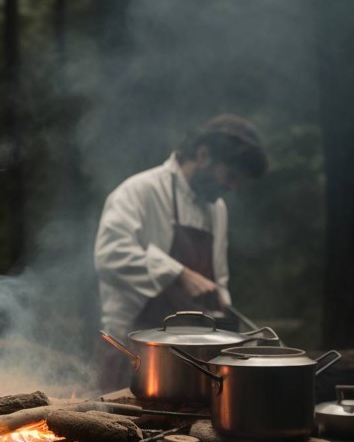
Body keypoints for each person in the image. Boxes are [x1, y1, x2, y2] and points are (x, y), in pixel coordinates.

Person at [95, 114, 269, 342]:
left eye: (239, 181)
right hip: (129, 346)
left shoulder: (217, 209)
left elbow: (219, 280)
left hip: (193, 352)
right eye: (230, 176)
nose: (233, 187)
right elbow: (110, 255)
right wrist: (179, 274)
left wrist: (223, 311)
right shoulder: (141, 190)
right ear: (203, 155)